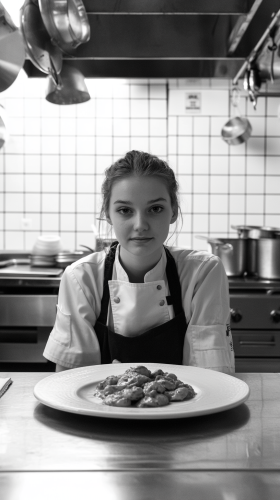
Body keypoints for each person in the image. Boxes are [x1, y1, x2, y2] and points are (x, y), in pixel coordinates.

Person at [43, 150, 235, 374]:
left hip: (185, 408)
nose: (140, 224)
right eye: (125, 210)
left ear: (173, 211)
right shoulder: (80, 277)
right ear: (108, 214)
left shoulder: (202, 272)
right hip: (102, 409)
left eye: (155, 209)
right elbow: (69, 380)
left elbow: (212, 376)